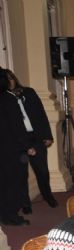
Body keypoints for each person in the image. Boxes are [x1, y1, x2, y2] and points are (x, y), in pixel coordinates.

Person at [5, 69, 58, 210]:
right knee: (21, 174)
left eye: (11, 77)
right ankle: (25, 204)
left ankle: (48, 196)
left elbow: (41, 114)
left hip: (36, 137)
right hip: (17, 141)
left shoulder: (29, 92)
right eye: (6, 79)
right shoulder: (4, 99)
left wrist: (47, 135)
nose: (9, 81)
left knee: (42, 170)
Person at [0, 68, 32, 225]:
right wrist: (27, 146)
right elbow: (17, 127)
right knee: (14, 183)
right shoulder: (8, 99)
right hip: (11, 151)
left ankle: (4, 214)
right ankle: (11, 216)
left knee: (3, 184)